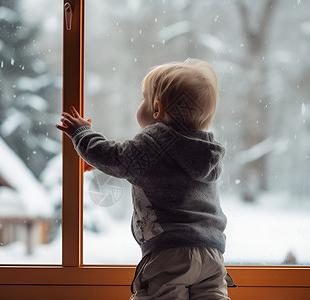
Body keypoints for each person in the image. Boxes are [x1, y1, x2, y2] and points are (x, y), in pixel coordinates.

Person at [56, 58, 232, 299]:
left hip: (170, 251)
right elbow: (157, 174)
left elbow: (114, 157)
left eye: (144, 99)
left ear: (157, 109)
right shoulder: (203, 149)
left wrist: (81, 133)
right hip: (212, 251)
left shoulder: (155, 141)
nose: (141, 104)